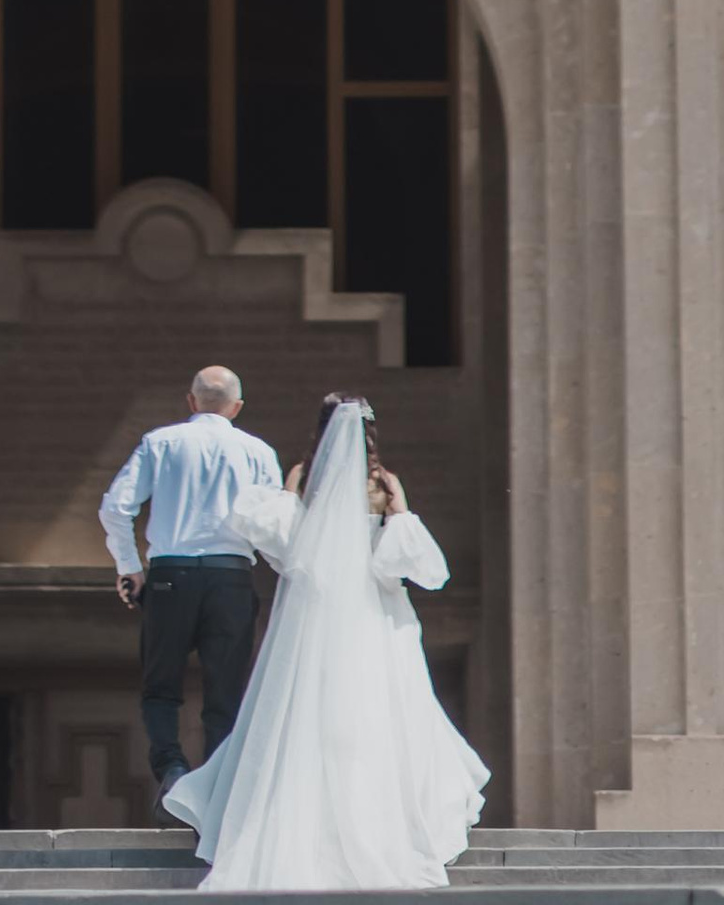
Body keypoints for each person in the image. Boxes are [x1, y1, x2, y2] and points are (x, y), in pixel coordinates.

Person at [162, 392, 488, 890]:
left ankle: (297, 816)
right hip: (372, 612)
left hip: (314, 612)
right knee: (377, 707)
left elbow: (280, 544)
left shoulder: (302, 478)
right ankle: (380, 821)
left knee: (307, 706)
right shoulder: (384, 484)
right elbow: (410, 561)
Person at [98, 364, 284, 809]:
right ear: (237, 407)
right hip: (231, 578)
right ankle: (219, 786)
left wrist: (131, 567)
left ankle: (172, 768)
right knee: (226, 689)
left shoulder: (160, 443)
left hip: (169, 576)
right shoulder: (257, 451)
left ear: (191, 401)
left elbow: (114, 508)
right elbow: (275, 524)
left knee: (160, 686)